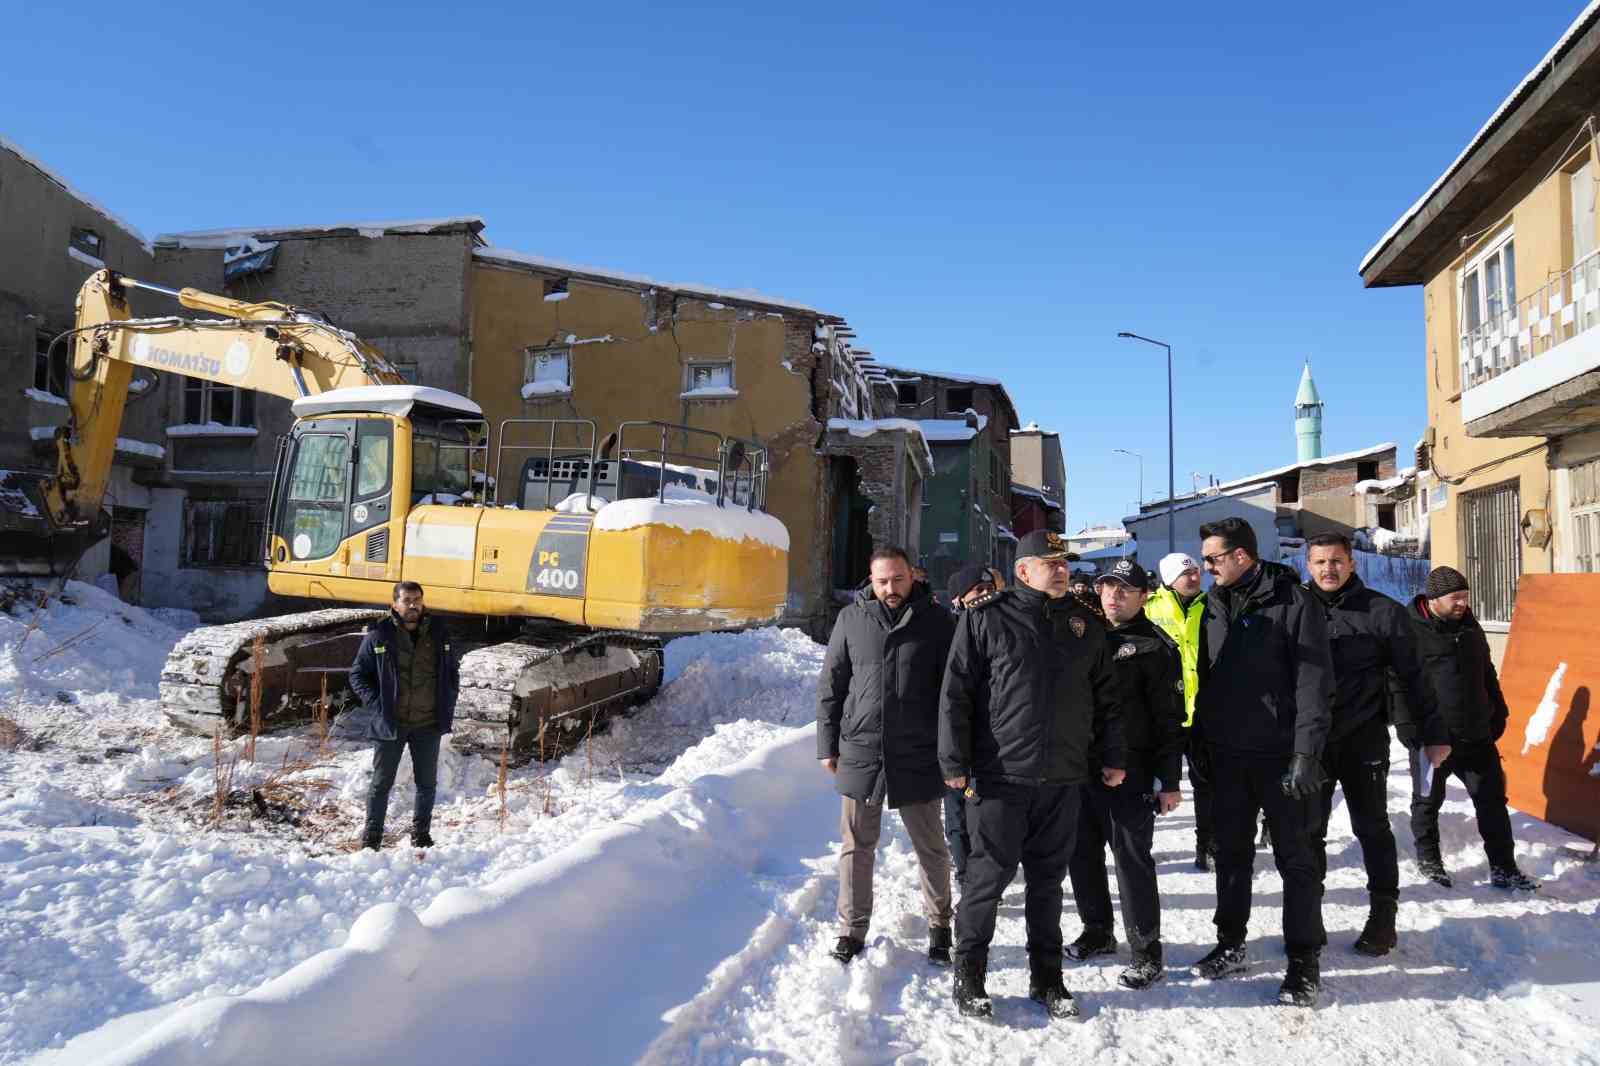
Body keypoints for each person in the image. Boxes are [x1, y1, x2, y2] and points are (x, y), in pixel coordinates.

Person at [939, 529, 1127, 1020]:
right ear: (1024, 571)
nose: (1062, 570)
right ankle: (969, 977)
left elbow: (1107, 699)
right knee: (986, 882)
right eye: (1051, 563)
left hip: (1063, 779)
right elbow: (956, 696)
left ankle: (1048, 979)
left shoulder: (1085, 625)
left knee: (1047, 884)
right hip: (1001, 778)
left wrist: (1113, 755)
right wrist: (954, 763)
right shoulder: (987, 620)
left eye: (1064, 562)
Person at [1190, 517, 1333, 1007]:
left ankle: (1303, 960)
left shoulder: (1295, 603)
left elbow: (1314, 686)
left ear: (1242, 556)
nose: (1207, 567)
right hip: (1229, 758)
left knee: (1298, 861)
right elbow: (1208, 681)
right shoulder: (1212, 604)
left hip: (1283, 759)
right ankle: (1231, 942)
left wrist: (1305, 754)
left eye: (1213, 558)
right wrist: (1202, 748)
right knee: (1231, 856)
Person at [1302, 533, 1450, 956]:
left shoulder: (1382, 612)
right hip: (1310, 743)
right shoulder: (1295, 610)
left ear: (1352, 564)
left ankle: (1383, 917)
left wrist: (1434, 734)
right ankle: (1307, 917)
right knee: (1307, 833)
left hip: (1363, 739)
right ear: (1308, 566)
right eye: (1320, 562)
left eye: (1336, 561)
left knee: (1371, 828)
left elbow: (1416, 678)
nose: (1328, 569)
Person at [818, 546, 956, 965]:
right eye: (882, 581)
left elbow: (954, 690)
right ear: (871, 581)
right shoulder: (851, 619)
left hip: (918, 750)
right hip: (862, 749)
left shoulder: (936, 620)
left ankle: (940, 926)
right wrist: (827, 745)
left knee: (931, 845)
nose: (891, 589)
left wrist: (954, 750)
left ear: (911, 575)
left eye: (898, 579)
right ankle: (851, 929)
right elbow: (832, 685)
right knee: (856, 846)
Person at [1065, 559, 1186, 990]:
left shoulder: (1156, 648)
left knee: (1132, 861)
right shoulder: (1088, 637)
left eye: (1124, 590)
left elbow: (1171, 721)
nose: (1113, 596)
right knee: (1081, 853)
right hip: (1082, 768)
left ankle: (1146, 951)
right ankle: (1097, 930)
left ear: (1144, 596)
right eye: (1107, 588)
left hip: (1131, 773)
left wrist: (1169, 781)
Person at [1392, 566, 1540, 892]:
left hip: (1476, 735)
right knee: (1428, 801)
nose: (1462, 603)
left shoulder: (1471, 627)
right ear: (1433, 599)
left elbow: (1486, 671)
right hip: (1433, 739)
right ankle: (1430, 860)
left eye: (1465, 596)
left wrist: (1499, 710)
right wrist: (1408, 727)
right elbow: (1396, 684)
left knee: (1492, 803)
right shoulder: (1408, 630)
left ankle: (1504, 867)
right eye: (1455, 598)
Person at [348, 581, 460, 850]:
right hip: (390, 724)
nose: (413, 605)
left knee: (426, 784)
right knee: (381, 784)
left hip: (428, 724)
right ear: (394, 604)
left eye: (417, 600)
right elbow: (357, 675)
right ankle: (371, 839)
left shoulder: (438, 635)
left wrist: (448, 700)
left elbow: (452, 673)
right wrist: (377, 704)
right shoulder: (379, 636)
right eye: (407, 600)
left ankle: (421, 835)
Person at [1146, 551, 1213, 870]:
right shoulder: (1149, 608)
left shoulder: (1211, 608)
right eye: (1186, 573)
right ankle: (1141, 846)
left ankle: (1207, 845)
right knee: (1152, 783)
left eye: (1197, 571)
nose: (1194, 577)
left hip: (1203, 712)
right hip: (1162, 713)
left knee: (1207, 784)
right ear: (1170, 578)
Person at [940, 563, 1001, 891]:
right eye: (978, 591)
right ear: (959, 600)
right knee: (959, 814)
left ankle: (988, 875)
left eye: (990, 589)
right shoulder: (946, 632)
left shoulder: (1002, 626)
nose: (987, 596)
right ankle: (967, 877)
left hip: (993, 741)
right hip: (957, 738)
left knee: (988, 815)